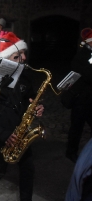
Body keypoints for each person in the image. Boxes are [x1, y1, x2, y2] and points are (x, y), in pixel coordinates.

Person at [0, 32, 44, 201]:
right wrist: (5, 134)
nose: (23, 58)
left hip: (20, 131)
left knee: (28, 169)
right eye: (17, 55)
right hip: (1, 133)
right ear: (6, 58)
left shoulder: (24, 76)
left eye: (24, 53)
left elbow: (30, 95)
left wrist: (35, 105)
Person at [65, 27, 92, 164]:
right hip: (80, 99)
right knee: (77, 127)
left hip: (89, 98)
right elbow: (87, 75)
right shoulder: (81, 56)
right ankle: (71, 152)